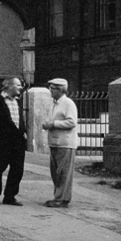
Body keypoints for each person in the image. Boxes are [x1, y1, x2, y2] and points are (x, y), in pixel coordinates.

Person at [0, 76, 26, 206]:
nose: (20, 88)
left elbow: (19, 120)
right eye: (18, 85)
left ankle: (10, 196)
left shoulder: (17, 102)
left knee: (17, 169)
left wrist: (24, 132)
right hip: (4, 141)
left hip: (18, 141)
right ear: (8, 86)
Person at [41, 77, 78, 208]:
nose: (50, 90)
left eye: (53, 88)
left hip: (65, 143)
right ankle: (58, 196)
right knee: (56, 172)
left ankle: (62, 198)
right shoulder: (55, 104)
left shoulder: (68, 103)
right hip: (55, 142)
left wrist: (53, 124)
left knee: (63, 172)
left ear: (61, 90)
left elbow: (72, 122)